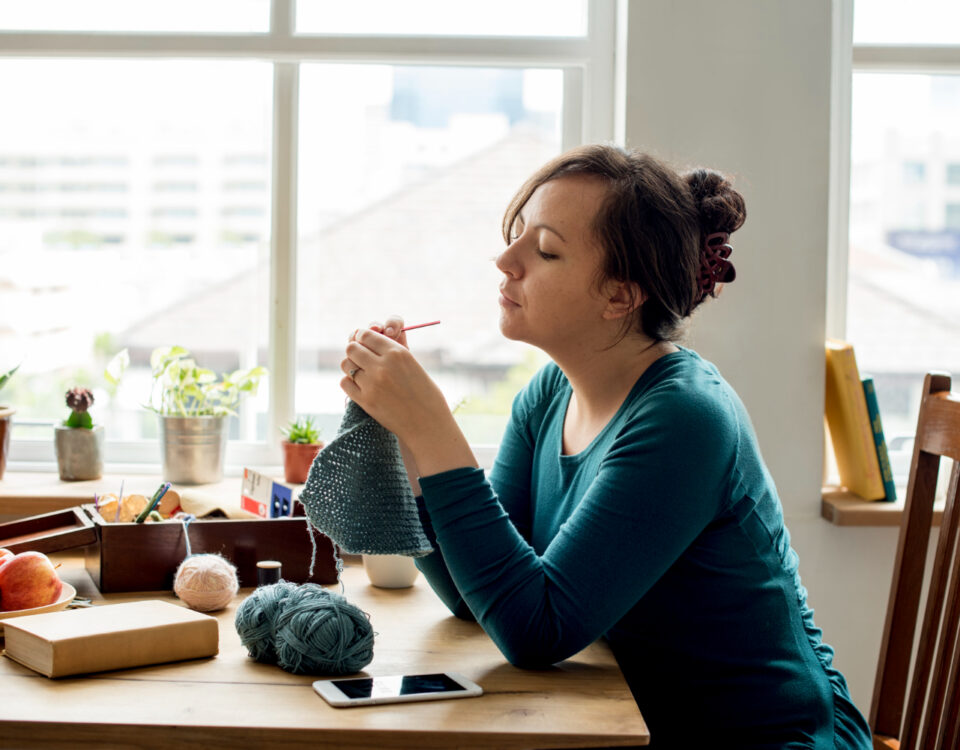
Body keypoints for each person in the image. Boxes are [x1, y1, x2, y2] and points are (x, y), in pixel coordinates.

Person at [339, 145, 872, 749]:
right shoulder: (550, 394)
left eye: (545, 250)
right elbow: (475, 597)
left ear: (620, 297)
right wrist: (409, 432)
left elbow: (535, 632)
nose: (505, 260)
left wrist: (433, 427)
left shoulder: (684, 418)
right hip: (636, 727)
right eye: (517, 235)